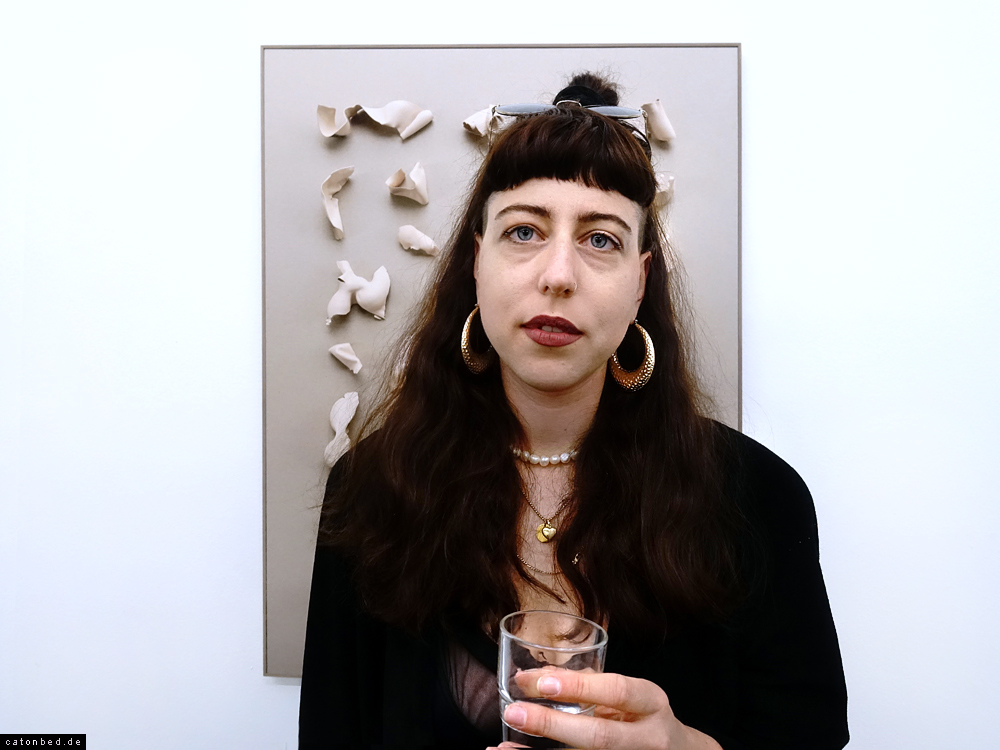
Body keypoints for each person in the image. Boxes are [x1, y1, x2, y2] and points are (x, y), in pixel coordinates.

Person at [298, 73, 849, 750]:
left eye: (601, 240)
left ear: (640, 282)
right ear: (477, 263)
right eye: (524, 231)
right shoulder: (368, 491)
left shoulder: (760, 500)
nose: (558, 274)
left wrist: (686, 748)